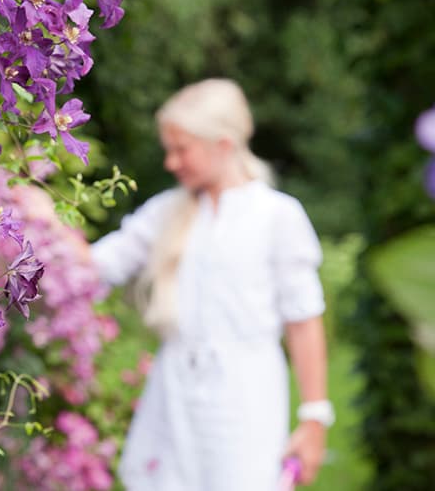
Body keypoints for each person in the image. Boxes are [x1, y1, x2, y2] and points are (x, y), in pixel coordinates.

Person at [91, 78, 333, 491]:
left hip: (246, 396)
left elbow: (303, 320)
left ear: (223, 145)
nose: (171, 162)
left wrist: (314, 418)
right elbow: (98, 266)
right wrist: (41, 223)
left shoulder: (276, 217)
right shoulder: (166, 212)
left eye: (181, 149)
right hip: (174, 395)